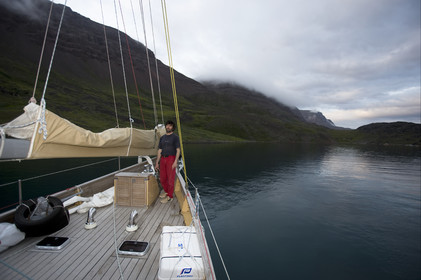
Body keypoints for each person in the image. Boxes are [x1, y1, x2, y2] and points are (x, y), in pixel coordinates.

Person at [155, 120, 181, 203]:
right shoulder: (162, 138)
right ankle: (166, 192)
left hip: (171, 159)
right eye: (167, 125)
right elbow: (159, 150)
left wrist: (175, 161)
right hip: (163, 159)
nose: (168, 127)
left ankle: (170, 196)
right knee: (162, 178)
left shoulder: (175, 137)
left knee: (170, 179)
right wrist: (157, 163)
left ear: (173, 128)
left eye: (170, 126)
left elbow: (178, 150)